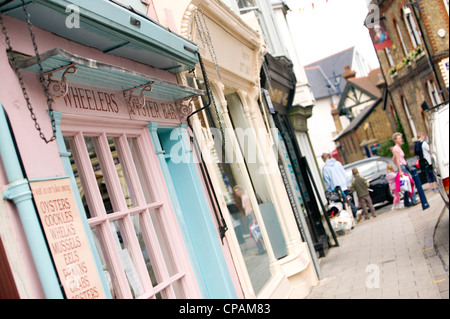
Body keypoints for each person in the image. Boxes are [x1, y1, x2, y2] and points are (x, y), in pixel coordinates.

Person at [322, 153, 358, 217]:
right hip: (344, 186)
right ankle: (353, 215)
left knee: (343, 203)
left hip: (336, 189)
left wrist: (329, 191)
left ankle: (354, 213)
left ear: (323, 159)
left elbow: (327, 181)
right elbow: (344, 174)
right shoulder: (338, 163)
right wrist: (348, 184)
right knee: (348, 201)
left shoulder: (325, 168)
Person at [233, 186, 265, 255]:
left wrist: (254, 218)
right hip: (249, 216)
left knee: (254, 233)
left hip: (250, 216)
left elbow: (250, 208)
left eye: (237, 191)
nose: (236, 193)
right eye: (235, 192)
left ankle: (261, 249)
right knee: (254, 233)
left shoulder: (245, 197)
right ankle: (260, 249)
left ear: (241, 190)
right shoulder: (242, 198)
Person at [392, 132, 420, 207]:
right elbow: (397, 160)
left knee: (406, 184)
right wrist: (400, 170)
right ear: (395, 140)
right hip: (402, 167)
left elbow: (393, 158)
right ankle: (414, 200)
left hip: (404, 166)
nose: (401, 139)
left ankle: (406, 202)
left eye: (400, 138)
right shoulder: (396, 148)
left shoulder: (397, 148)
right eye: (399, 138)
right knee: (410, 183)